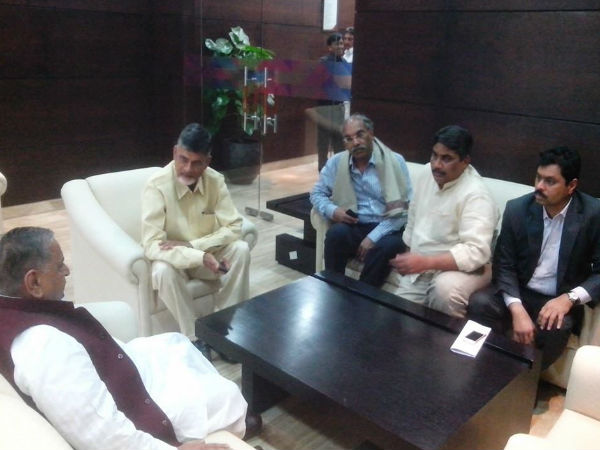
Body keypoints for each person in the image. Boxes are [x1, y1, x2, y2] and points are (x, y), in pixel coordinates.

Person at [0, 226, 257, 450]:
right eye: (59, 266)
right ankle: (238, 421)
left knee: (176, 344)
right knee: (225, 396)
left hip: (120, 371)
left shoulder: (16, 312)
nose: (66, 271)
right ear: (34, 283)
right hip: (140, 407)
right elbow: (102, 435)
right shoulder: (43, 346)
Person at [468, 146, 600, 369]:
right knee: (480, 303)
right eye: (538, 177)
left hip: (557, 297)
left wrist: (569, 298)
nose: (539, 186)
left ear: (571, 186)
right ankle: (488, 368)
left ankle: (525, 378)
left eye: (550, 181)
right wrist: (516, 308)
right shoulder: (517, 209)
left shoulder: (593, 214)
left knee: (558, 325)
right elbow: (504, 264)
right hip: (519, 290)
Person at [141, 123, 250, 346]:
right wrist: (198, 256)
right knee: (161, 270)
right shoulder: (156, 186)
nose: (188, 169)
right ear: (175, 153)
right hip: (176, 263)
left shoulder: (215, 180)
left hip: (206, 259)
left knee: (241, 249)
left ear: (207, 161)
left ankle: (227, 329)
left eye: (196, 163)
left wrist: (194, 246)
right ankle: (194, 337)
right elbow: (152, 244)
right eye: (183, 159)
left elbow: (234, 226)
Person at [389, 125, 498, 318]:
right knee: (396, 319)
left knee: (444, 290)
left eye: (447, 158)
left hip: (465, 270)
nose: (437, 165)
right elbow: (413, 217)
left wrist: (426, 262)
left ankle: (447, 337)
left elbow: (476, 252)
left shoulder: (477, 194)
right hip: (421, 268)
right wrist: (410, 256)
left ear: (465, 161)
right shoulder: (426, 173)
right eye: (434, 156)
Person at [310, 113, 412, 287]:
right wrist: (333, 211)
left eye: (360, 135)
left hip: (389, 228)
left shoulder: (395, 161)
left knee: (385, 248)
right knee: (336, 235)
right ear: (344, 143)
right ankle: (332, 291)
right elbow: (316, 193)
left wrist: (373, 237)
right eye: (349, 139)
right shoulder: (337, 163)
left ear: (371, 134)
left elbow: (406, 210)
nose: (355, 142)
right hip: (355, 225)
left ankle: (363, 296)